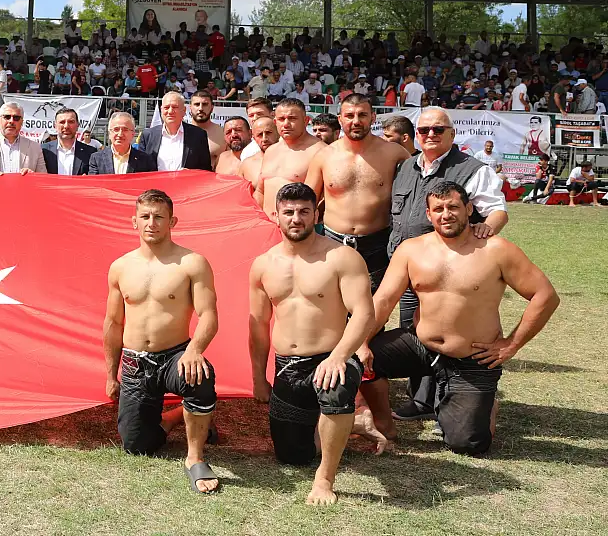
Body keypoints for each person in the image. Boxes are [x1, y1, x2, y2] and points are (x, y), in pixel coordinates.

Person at [360, 181, 559, 455]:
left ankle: (485, 403)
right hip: (422, 345)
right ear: (428, 214)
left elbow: (545, 296)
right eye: (438, 209)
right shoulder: (411, 250)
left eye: (453, 207)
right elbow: (383, 300)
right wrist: (361, 342)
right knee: (354, 360)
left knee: (465, 444)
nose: (446, 214)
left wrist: (511, 344)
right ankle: (384, 421)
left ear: (468, 209)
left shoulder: (496, 249)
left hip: (473, 357)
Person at [248, 183, 377, 505]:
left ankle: (324, 478)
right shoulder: (263, 265)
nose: (296, 218)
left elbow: (364, 314)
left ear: (316, 215)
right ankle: (353, 423)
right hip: (288, 365)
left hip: (331, 356)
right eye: (289, 212)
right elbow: (258, 325)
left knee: (335, 390)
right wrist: (258, 378)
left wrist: (339, 356)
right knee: (292, 456)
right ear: (275, 215)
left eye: (304, 211)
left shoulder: (342, 257)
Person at [386, 107, 508, 421]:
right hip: (408, 269)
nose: (430, 135)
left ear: (452, 134)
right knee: (416, 335)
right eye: (424, 129)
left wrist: (486, 230)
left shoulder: (473, 169)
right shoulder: (406, 166)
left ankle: (452, 399)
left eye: (438, 129)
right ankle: (422, 400)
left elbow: (497, 210)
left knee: (448, 332)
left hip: (449, 272)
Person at [104, 190, 221, 494]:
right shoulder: (120, 267)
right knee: (137, 445)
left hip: (175, 356)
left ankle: (195, 458)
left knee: (200, 375)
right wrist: (111, 375)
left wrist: (194, 351)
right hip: (135, 362)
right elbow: (113, 324)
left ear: (172, 221)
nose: (151, 223)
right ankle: (175, 417)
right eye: (145, 216)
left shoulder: (192, 263)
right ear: (134, 221)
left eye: (159, 217)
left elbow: (209, 316)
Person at [305, 95, 411, 291]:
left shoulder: (394, 153)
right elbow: (307, 202)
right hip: (333, 243)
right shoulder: (323, 156)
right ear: (340, 119)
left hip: (378, 246)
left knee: (375, 307)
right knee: (333, 304)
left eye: (362, 115)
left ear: (373, 117)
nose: (356, 121)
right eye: (349, 115)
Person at [255, 99, 326, 219]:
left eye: (292, 118)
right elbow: (260, 191)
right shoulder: (271, 151)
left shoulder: (321, 151)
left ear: (306, 121)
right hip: (266, 223)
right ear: (275, 122)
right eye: (281, 119)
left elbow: (322, 199)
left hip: (299, 225)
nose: (286, 124)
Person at [137, 92, 212, 172]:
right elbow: (140, 168)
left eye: (175, 107)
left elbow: (206, 169)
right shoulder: (148, 135)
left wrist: (191, 173)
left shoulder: (198, 135)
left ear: (184, 110)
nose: (170, 111)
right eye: (166, 107)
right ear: (161, 110)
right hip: (156, 180)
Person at [0, 102, 47, 174]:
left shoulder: (35, 148)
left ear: (22, 122)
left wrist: (33, 176)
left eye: (16, 118)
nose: (11, 121)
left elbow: (43, 177)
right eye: (7, 117)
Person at [90, 112, 157, 175]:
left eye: (125, 130)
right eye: (116, 129)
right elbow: (93, 182)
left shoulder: (145, 160)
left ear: (133, 134)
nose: (120, 134)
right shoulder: (97, 159)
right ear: (109, 133)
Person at [42, 107, 97, 176]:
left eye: (71, 122)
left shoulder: (91, 152)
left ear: (78, 125)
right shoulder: (43, 150)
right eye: (62, 122)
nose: (66, 126)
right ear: (55, 126)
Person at [238, 116, 279, 183]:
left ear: (278, 133)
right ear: (254, 137)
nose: (264, 139)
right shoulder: (246, 165)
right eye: (260, 135)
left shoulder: (291, 158)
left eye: (268, 133)